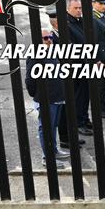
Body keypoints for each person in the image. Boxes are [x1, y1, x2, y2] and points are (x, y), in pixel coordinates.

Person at [25, 29, 68, 169]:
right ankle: (47, 158)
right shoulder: (35, 54)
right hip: (46, 98)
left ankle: (54, 150)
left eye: (50, 37)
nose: (49, 40)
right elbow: (30, 79)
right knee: (46, 128)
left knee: (53, 126)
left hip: (57, 96)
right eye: (45, 38)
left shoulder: (53, 51)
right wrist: (36, 95)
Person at [64, 0, 94, 138]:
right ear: (68, 9)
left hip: (85, 64)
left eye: (80, 8)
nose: (78, 11)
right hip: (76, 66)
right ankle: (78, 123)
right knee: (78, 96)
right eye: (75, 8)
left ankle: (84, 118)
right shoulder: (67, 24)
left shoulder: (80, 21)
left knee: (85, 94)